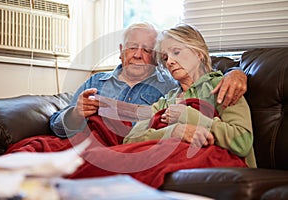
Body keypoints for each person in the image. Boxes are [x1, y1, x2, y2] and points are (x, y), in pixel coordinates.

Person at [50, 22, 247, 139]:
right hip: (85, 146)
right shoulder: (95, 82)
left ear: (154, 57)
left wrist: (237, 71)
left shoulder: (169, 86)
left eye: (146, 50)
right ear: (120, 51)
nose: (137, 54)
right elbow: (56, 125)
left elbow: (205, 77)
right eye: (132, 47)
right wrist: (76, 113)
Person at [123, 24, 256, 168]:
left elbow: (242, 142)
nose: (170, 62)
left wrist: (188, 116)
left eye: (177, 52)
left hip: (224, 172)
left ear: (198, 53)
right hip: (177, 167)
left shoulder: (221, 86)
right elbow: (130, 139)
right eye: (165, 58)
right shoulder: (168, 99)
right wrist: (173, 132)